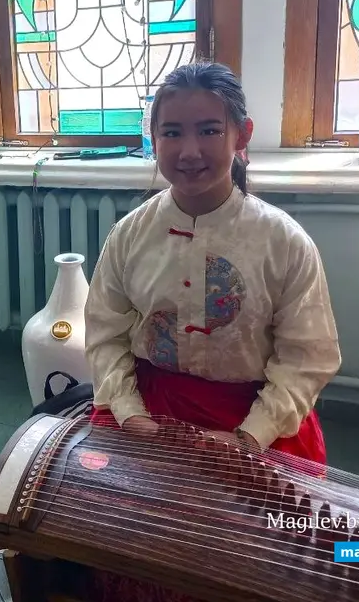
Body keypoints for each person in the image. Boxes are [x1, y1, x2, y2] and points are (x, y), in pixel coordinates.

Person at [82, 61, 341, 602]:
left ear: (241, 136)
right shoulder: (129, 234)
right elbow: (105, 333)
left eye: (209, 130)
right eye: (171, 132)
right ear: (153, 140)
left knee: (260, 549)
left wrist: (248, 437)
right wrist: (129, 412)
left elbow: (307, 357)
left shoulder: (284, 241)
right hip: (150, 407)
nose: (189, 151)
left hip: (254, 414)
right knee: (123, 532)